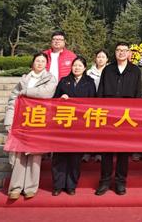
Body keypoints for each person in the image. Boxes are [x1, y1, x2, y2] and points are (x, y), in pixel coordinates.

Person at [4, 52, 57, 200]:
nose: (39, 63)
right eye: (37, 61)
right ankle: (16, 188)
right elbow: (12, 101)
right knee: (19, 154)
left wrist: (26, 92)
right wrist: (8, 121)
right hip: (22, 121)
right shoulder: (24, 79)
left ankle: (30, 188)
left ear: (46, 64)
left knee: (35, 155)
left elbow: (46, 93)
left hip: (39, 120)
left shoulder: (50, 79)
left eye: (42, 61)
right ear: (33, 63)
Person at [95, 42, 142, 196]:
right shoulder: (108, 70)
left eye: (124, 50)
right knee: (106, 150)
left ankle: (120, 182)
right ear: (115, 53)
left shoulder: (135, 71)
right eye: (118, 50)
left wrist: (135, 115)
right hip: (108, 116)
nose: (121, 53)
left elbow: (137, 94)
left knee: (123, 151)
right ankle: (104, 182)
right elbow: (100, 92)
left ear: (129, 53)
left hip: (126, 117)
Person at [52, 56, 96, 196]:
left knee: (75, 157)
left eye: (80, 65)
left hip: (80, 124)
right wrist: (60, 100)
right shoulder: (64, 81)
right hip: (63, 123)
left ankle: (71, 185)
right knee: (59, 155)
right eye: (74, 65)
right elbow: (53, 101)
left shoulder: (89, 82)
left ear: (85, 68)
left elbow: (93, 103)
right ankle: (58, 185)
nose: (77, 68)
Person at [83, 49, 109, 163]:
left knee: (102, 130)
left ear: (107, 59)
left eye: (103, 57)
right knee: (89, 129)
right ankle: (87, 152)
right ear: (95, 59)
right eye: (98, 57)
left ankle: (99, 152)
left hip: (104, 104)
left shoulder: (110, 72)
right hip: (90, 104)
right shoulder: (89, 73)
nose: (100, 59)